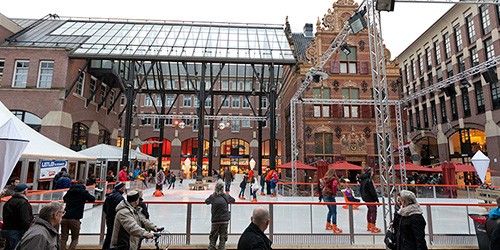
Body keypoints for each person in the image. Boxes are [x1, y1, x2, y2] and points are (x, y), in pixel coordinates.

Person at [61, 179, 96, 250]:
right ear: (84, 185)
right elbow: (92, 199)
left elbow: (64, 198)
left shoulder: (70, 191)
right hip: (75, 219)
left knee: (63, 238)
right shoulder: (83, 192)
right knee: (75, 239)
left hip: (65, 217)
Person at [1, 183, 33, 250]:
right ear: (25, 192)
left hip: (6, 230)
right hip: (16, 231)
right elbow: (25, 219)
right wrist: (29, 230)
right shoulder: (23, 203)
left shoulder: (8, 202)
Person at [205, 181, 236, 250]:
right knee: (223, 236)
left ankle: (211, 247)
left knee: (213, 236)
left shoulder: (212, 196)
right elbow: (233, 200)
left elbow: (206, 201)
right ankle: (221, 248)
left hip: (215, 220)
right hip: (225, 220)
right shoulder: (226, 196)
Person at [102, 182, 126, 250]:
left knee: (109, 235)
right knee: (115, 237)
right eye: (123, 187)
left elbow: (104, 208)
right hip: (115, 220)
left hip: (109, 218)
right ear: (121, 188)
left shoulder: (109, 196)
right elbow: (123, 211)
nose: (124, 189)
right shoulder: (120, 198)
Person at [360, 166, 381, 233]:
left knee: (370, 210)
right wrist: (377, 200)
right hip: (370, 198)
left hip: (365, 197)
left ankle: (369, 225)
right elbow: (372, 191)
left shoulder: (363, 180)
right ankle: (372, 226)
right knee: (373, 211)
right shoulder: (369, 181)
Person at [322, 169, 342, 234]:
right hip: (330, 196)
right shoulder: (334, 179)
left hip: (325, 196)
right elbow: (334, 185)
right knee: (334, 212)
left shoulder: (326, 179)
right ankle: (334, 227)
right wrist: (334, 193)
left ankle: (328, 224)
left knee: (330, 210)